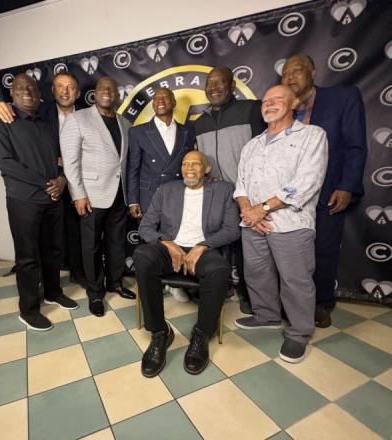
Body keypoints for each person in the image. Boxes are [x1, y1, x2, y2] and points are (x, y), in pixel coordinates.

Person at [233, 85, 328, 363]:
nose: (269, 104)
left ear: (294, 104)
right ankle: (267, 316)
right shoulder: (252, 144)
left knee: (295, 279)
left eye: (278, 99)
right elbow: (241, 185)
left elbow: (307, 182)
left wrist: (261, 209)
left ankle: (299, 332)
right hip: (252, 223)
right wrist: (248, 211)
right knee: (257, 273)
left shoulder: (312, 135)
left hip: (291, 223)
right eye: (266, 100)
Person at [134, 151, 240, 377]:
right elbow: (145, 227)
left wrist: (202, 246)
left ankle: (201, 334)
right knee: (142, 256)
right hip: (170, 248)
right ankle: (160, 333)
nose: (189, 168)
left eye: (195, 164)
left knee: (219, 270)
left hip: (204, 250)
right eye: (185, 164)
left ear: (207, 169)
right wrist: (167, 243)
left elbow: (232, 230)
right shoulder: (166, 190)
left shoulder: (223, 190)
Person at [0, 73, 77, 331]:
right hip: (24, 200)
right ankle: (28, 309)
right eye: (20, 87)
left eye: (32, 88)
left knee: (54, 250)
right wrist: (46, 184)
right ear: (11, 93)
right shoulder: (2, 119)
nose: (27, 91)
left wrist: (61, 180)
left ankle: (53, 292)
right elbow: (5, 162)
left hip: (53, 199)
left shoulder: (46, 123)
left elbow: (60, 159)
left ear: (40, 95)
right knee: (28, 257)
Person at [281, 54, 367, 328]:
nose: (290, 77)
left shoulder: (342, 98)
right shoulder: (279, 106)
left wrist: (346, 186)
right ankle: (292, 303)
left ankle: (321, 304)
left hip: (328, 190)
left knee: (324, 249)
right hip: (287, 196)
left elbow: (355, 145)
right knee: (290, 251)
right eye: (286, 73)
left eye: (297, 70)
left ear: (313, 72)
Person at [61, 77, 136, 317]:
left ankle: (115, 282)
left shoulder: (126, 123)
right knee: (91, 245)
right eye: (103, 88)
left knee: (117, 242)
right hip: (91, 196)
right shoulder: (77, 119)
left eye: (112, 89)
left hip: (120, 194)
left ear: (118, 95)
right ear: (95, 93)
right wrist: (78, 194)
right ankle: (95, 292)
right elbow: (70, 162)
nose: (107, 92)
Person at [194, 67, 265, 314]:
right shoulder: (199, 123)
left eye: (219, 82)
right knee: (217, 248)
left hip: (248, 196)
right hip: (216, 197)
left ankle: (249, 296)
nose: (213, 88)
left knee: (249, 252)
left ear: (232, 85)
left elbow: (265, 152)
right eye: (209, 83)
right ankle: (219, 288)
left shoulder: (251, 110)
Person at [127, 87, 195, 302]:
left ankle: (173, 282)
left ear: (174, 103)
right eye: (156, 98)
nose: (160, 101)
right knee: (151, 241)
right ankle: (152, 283)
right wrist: (133, 200)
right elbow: (133, 168)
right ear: (152, 104)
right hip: (149, 194)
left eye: (165, 97)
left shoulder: (187, 130)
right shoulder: (138, 132)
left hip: (177, 193)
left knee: (175, 238)